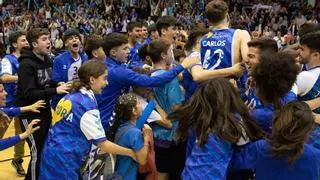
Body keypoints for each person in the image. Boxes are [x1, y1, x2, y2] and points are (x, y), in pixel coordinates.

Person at [39, 60, 136, 179]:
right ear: (92, 80)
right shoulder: (86, 105)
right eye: (104, 78)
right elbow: (103, 144)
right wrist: (131, 153)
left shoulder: (70, 96)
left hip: (50, 154)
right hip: (65, 162)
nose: (106, 83)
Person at [98, 33, 198, 130]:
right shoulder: (118, 72)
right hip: (107, 121)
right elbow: (152, 81)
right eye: (125, 49)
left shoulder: (109, 65)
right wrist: (182, 66)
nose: (129, 51)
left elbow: (131, 68)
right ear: (113, 53)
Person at [168, 78, 263, 179]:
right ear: (230, 97)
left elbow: (190, 151)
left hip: (189, 174)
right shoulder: (234, 122)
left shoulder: (198, 122)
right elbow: (245, 155)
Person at [15, 28, 71, 180]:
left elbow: (44, 82)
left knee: (45, 150)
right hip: (30, 113)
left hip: (45, 110)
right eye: (45, 39)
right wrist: (55, 90)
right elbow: (29, 93)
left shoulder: (47, 59)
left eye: (49, 38)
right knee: (37, 152)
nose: (49, 41)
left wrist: (55, 83)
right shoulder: (26, 64)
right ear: (34, 44)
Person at [231, 101, 320, 180]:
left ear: (277, 121)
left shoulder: (260, 147)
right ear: (308, 132)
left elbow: (235, 164)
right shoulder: (316, 156)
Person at [200, 0, 251, 93]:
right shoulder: (241, 34)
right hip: (231, 90)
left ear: (208, 20)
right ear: (227, 16)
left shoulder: (201, 39)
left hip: (206, 91)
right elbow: (249, 60)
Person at [0, 30, 29, 176]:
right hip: (6, 104)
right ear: (14, 44)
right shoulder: (8, 60)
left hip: (21, 102)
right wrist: (22, 77)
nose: (26, 42)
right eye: (23, 40)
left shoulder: (28, 58)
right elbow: (4, 78)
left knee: (22, 133)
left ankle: (17, 160)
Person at [114, 93, 152, 179]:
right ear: (133, 111)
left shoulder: (122, 126)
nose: (141, 105)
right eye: (138, 103)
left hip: (118, 173)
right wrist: (146, 138)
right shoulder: (134, 133)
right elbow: (142, 160)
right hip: (127, 176)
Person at [51, 28, 88, 109]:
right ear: (66, 44)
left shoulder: (84, 58)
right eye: (71, 39)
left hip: (80, 96)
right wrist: (61, 84)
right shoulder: (59, 59)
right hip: (63, 98)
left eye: (76, 38)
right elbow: (56, 79)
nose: (74, 40)